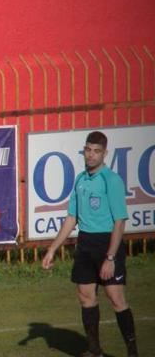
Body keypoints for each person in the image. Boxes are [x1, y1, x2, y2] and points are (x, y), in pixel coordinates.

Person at [42, 131, 138, 357]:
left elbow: (119, 221)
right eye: (88, 150)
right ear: (84, 151)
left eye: (96, 151)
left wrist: (111, 257)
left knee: (115, 298)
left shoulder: (111, 180)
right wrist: (53, 248)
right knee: (85, 296)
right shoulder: (80, 180)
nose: (91, 155)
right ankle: (95, 350)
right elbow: (71, 218)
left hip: (107, 243)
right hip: (85, 243)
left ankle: (132, 351)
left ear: (105, 153)